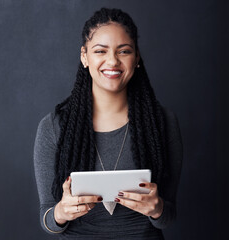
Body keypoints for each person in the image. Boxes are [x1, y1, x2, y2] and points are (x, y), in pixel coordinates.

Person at [33, 7, 183, 240]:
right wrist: (61, 212)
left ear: (137, 58)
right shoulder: (54, 126)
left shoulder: (162, 122)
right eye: (100, 51)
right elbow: (48, 220)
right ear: (85, 56)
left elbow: (168, 216)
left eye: (124, 51)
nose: (112, 61)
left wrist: (157, 209)